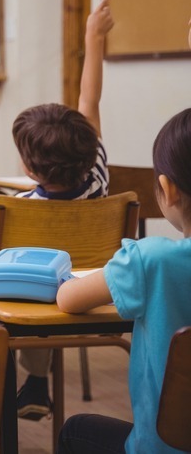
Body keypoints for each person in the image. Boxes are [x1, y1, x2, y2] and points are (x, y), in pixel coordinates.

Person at [56, 107, 191, 454]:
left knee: (75, 430)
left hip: (162, 448)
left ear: (167, 189)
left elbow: (68, 299)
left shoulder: (151, 261)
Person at [13, 0, 114, 420]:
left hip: (37, 305)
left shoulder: (19, 207)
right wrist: (93, 37)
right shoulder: (100, 177)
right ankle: (36, 384)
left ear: (30, 170)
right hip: (100, 289)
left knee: (27, 293)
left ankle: (34, 382)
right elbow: (89, 99)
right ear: (90, 152)